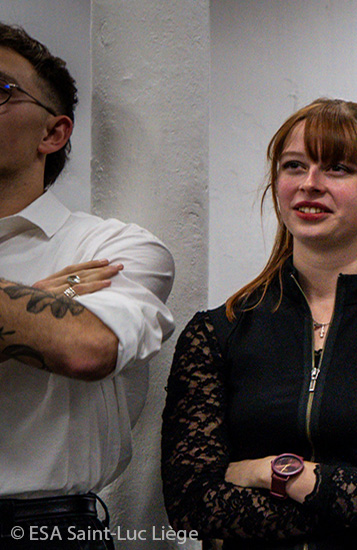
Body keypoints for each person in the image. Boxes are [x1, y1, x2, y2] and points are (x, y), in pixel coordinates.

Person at [162, 98, 357, 548]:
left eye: (338, 169)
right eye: (294, 166)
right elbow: (192, 503)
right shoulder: (217, 334)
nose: (310, 184)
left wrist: (268, 472)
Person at [0, 20, 175, 548]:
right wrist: (40, 305)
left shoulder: (114, 250)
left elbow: (87, 347)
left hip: (41, 532)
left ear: (53, 133)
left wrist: (53, 326)